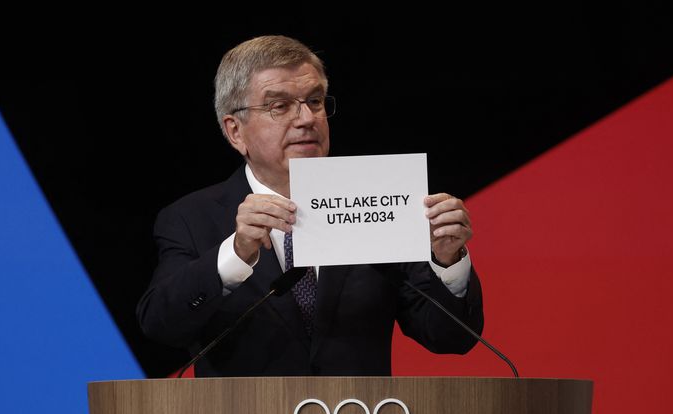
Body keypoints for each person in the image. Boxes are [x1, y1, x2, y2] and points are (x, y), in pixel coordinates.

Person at [136, 35, 484, 376]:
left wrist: (446, 260)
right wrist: (235, 254)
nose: (306, 119)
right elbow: (162, 326)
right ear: (235, 131)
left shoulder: (378, 203)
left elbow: (450, 337)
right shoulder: (190, 219)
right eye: (279, 105)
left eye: (315, 101)